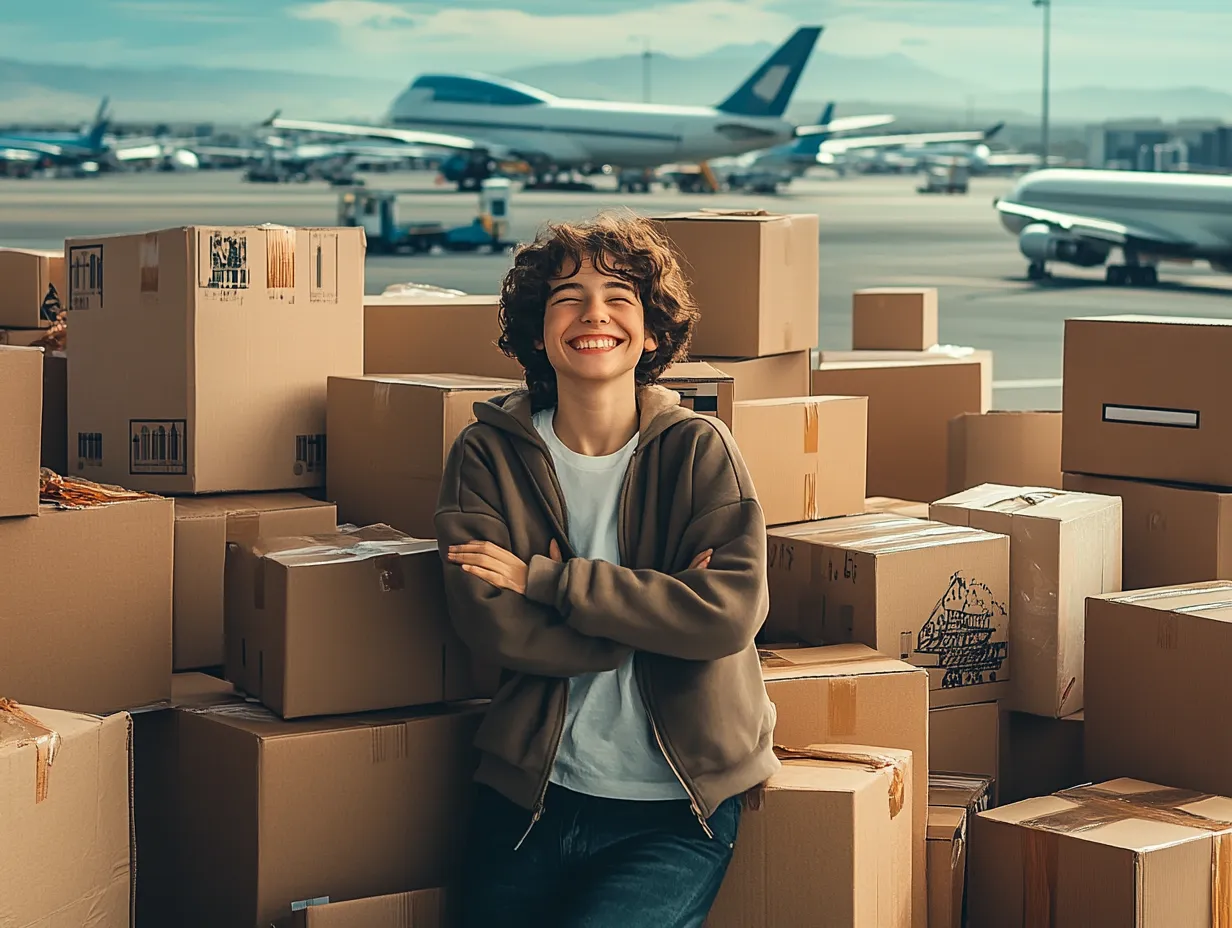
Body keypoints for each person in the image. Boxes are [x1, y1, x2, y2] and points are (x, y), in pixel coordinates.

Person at [435, 211, 777, 928]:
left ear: (651, 333)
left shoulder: (699, 449)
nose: (595, 314)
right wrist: (656, 616)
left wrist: (548, 583)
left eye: (620, 297)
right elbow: (489, 625)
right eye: (568, 298)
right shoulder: (485, 454)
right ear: (538, 331)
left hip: (675, 810)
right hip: (531, 796)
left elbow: (726, 615)